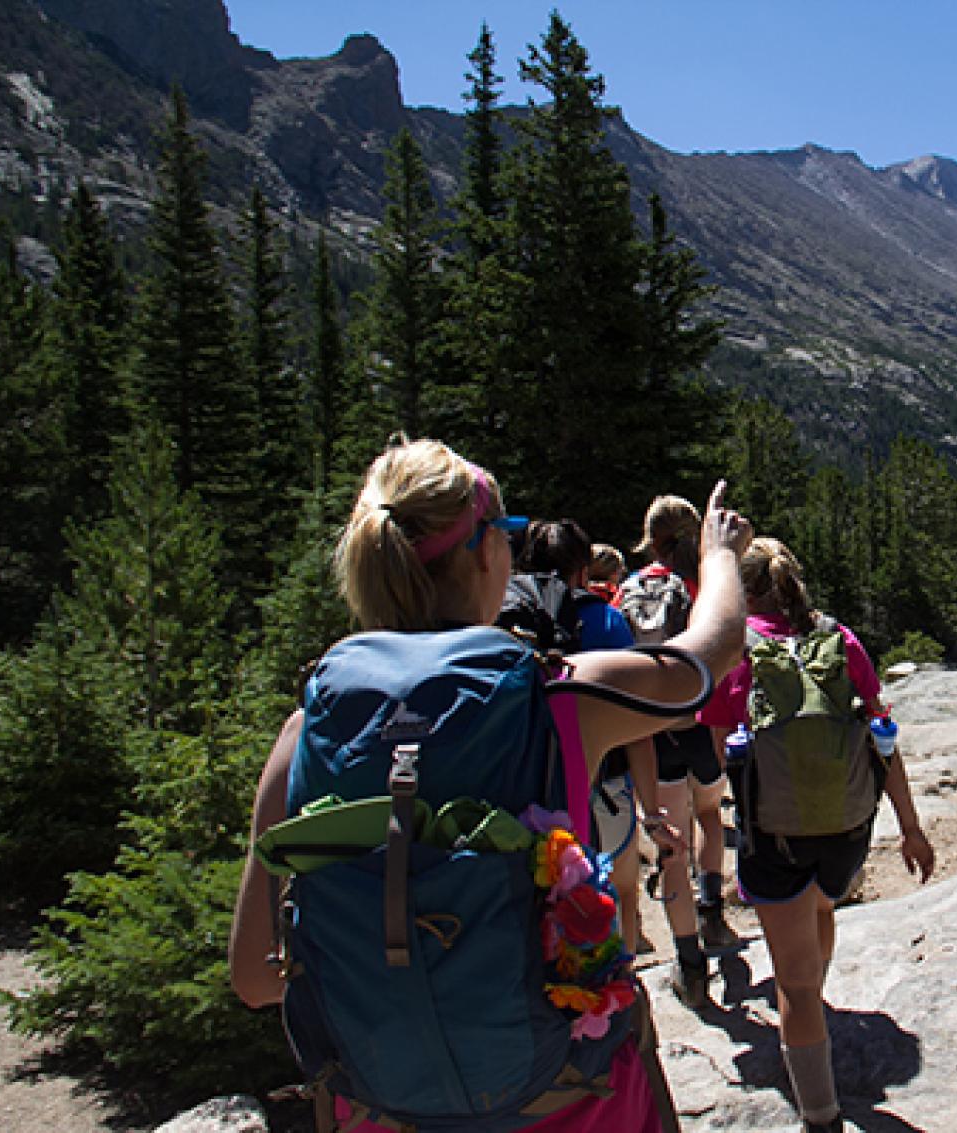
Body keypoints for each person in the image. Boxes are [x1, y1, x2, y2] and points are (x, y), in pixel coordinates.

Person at [228, 438, 752, 1132]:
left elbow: (257, 978)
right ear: (482, 552)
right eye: (504, 537)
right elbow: (708, 656)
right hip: (566, 1101)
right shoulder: (557, 697)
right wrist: (718, 555)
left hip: (386, 1110)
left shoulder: (306, 732)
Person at [697, 537, 935, 1133]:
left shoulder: (738, 651)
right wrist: (910, 828)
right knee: (822, 905)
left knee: (794, 990)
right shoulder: (841, 639)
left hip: (774, 833)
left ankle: (821, 1115)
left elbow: (714, 749)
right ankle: (815, 996)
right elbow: (884, 738)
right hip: (846, 828)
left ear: (742, 591)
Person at [501, 518, 677, 956]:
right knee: (622, 891)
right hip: (606, 783)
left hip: (527, 788)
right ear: (582, 570)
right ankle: (622, 990)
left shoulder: (501, 618)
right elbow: (635, 724)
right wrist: (653, 811)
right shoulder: (605, 620)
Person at [615, 495, 741, 1011]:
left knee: (671, 846)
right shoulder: (701, 587)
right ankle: (713, 909)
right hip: (698, 724)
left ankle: (690, 964)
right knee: (710, 815)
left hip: (652, 731)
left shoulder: (626, 590)